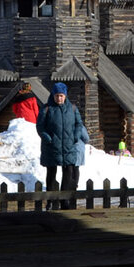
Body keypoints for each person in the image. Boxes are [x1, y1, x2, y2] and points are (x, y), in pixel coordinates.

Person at [37, 82, 89, 210]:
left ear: (65, 96)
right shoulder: (47, 108)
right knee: (51, 173)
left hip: (68, 146)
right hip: (51, 147)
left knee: (68, 172)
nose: (59, 98)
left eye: (61, 96)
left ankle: (64, 200)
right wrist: (47, 138)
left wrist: (76, 136)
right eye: (57, 96)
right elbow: (40, 126)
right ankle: (50, 200)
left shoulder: (72, 108)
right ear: (53, 95)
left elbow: (79, 124)